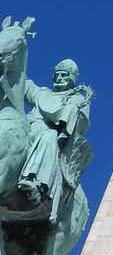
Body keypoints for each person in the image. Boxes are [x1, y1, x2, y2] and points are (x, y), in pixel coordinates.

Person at [17, 59, 92, 221]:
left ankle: (35, 183)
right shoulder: (42, 93)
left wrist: (70, 112)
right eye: (56, 75)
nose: (59, 78)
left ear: (71, 78)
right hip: (28, 127)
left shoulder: (76, 99)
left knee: (49, 136)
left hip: (49, 135)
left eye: (64, 75)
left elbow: (81, 122)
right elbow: (23, 82)